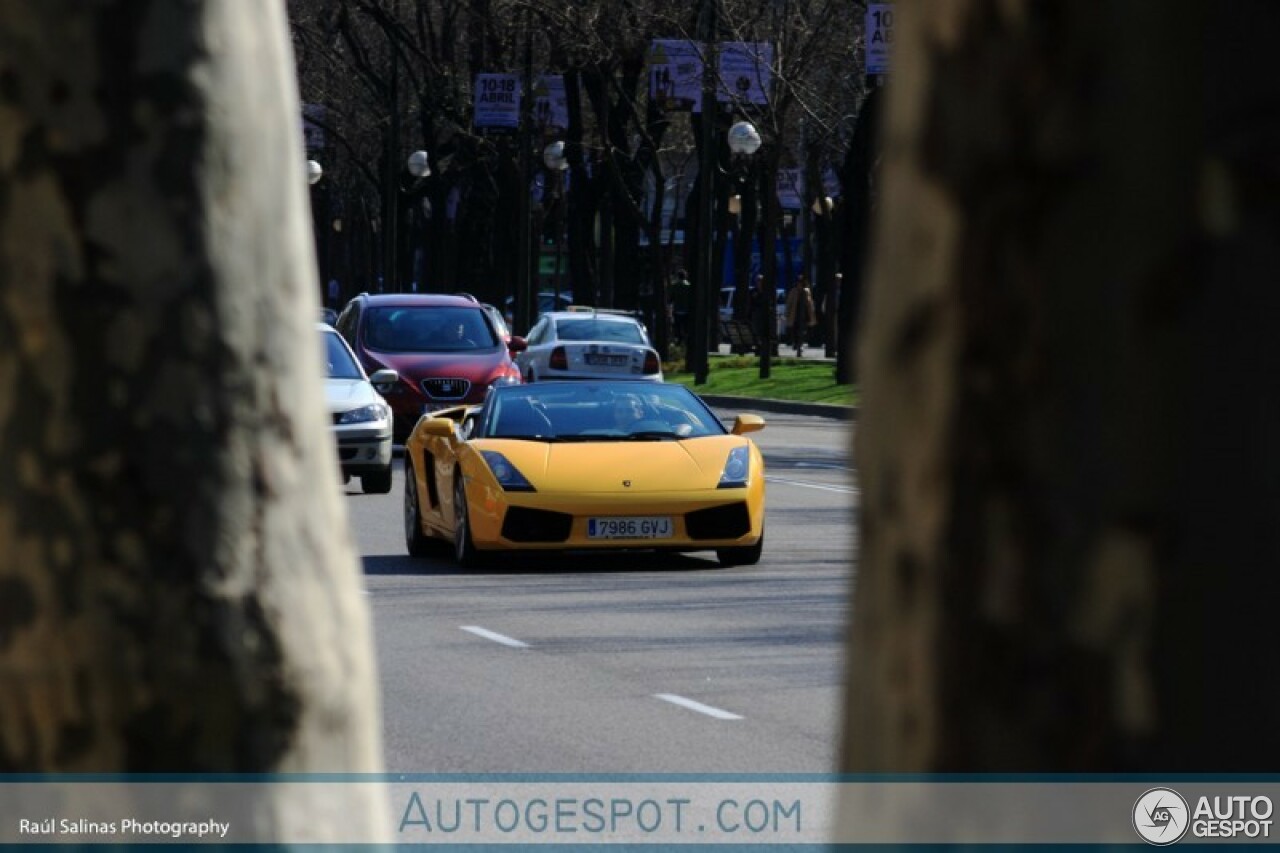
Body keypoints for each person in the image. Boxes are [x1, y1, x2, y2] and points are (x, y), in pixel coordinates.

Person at [785, 275, 818, 357]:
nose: (800, 284)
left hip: (804, 315)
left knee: (803, 331)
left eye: (801, 282)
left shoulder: (806, 291)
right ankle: (796, 343)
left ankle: (800, 345)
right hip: (795, 314)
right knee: (795, 330)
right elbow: (789, 303)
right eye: (799, 282)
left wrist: (812, 314)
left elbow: (810, 303)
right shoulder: (793, 291)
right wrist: (787, 313)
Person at [669, 269, 692, 344]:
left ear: (678, 277)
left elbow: (671, 298)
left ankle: (679, 340)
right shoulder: (689, 286)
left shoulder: (674, 286)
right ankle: (686, 340)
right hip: (687, 310)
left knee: (678, 327)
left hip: (677, 310)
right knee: (686, 327)